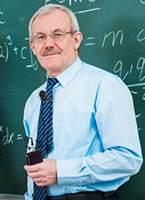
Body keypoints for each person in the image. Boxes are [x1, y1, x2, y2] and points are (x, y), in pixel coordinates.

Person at [23, 4, 143, 200]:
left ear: (76, 39)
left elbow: (127, 158)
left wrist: (61, 171)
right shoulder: (34, 101)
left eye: (58, 34)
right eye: (40, 37)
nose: (48, 44)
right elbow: (36, 160)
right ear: (33, 46)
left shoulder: (105, 86)